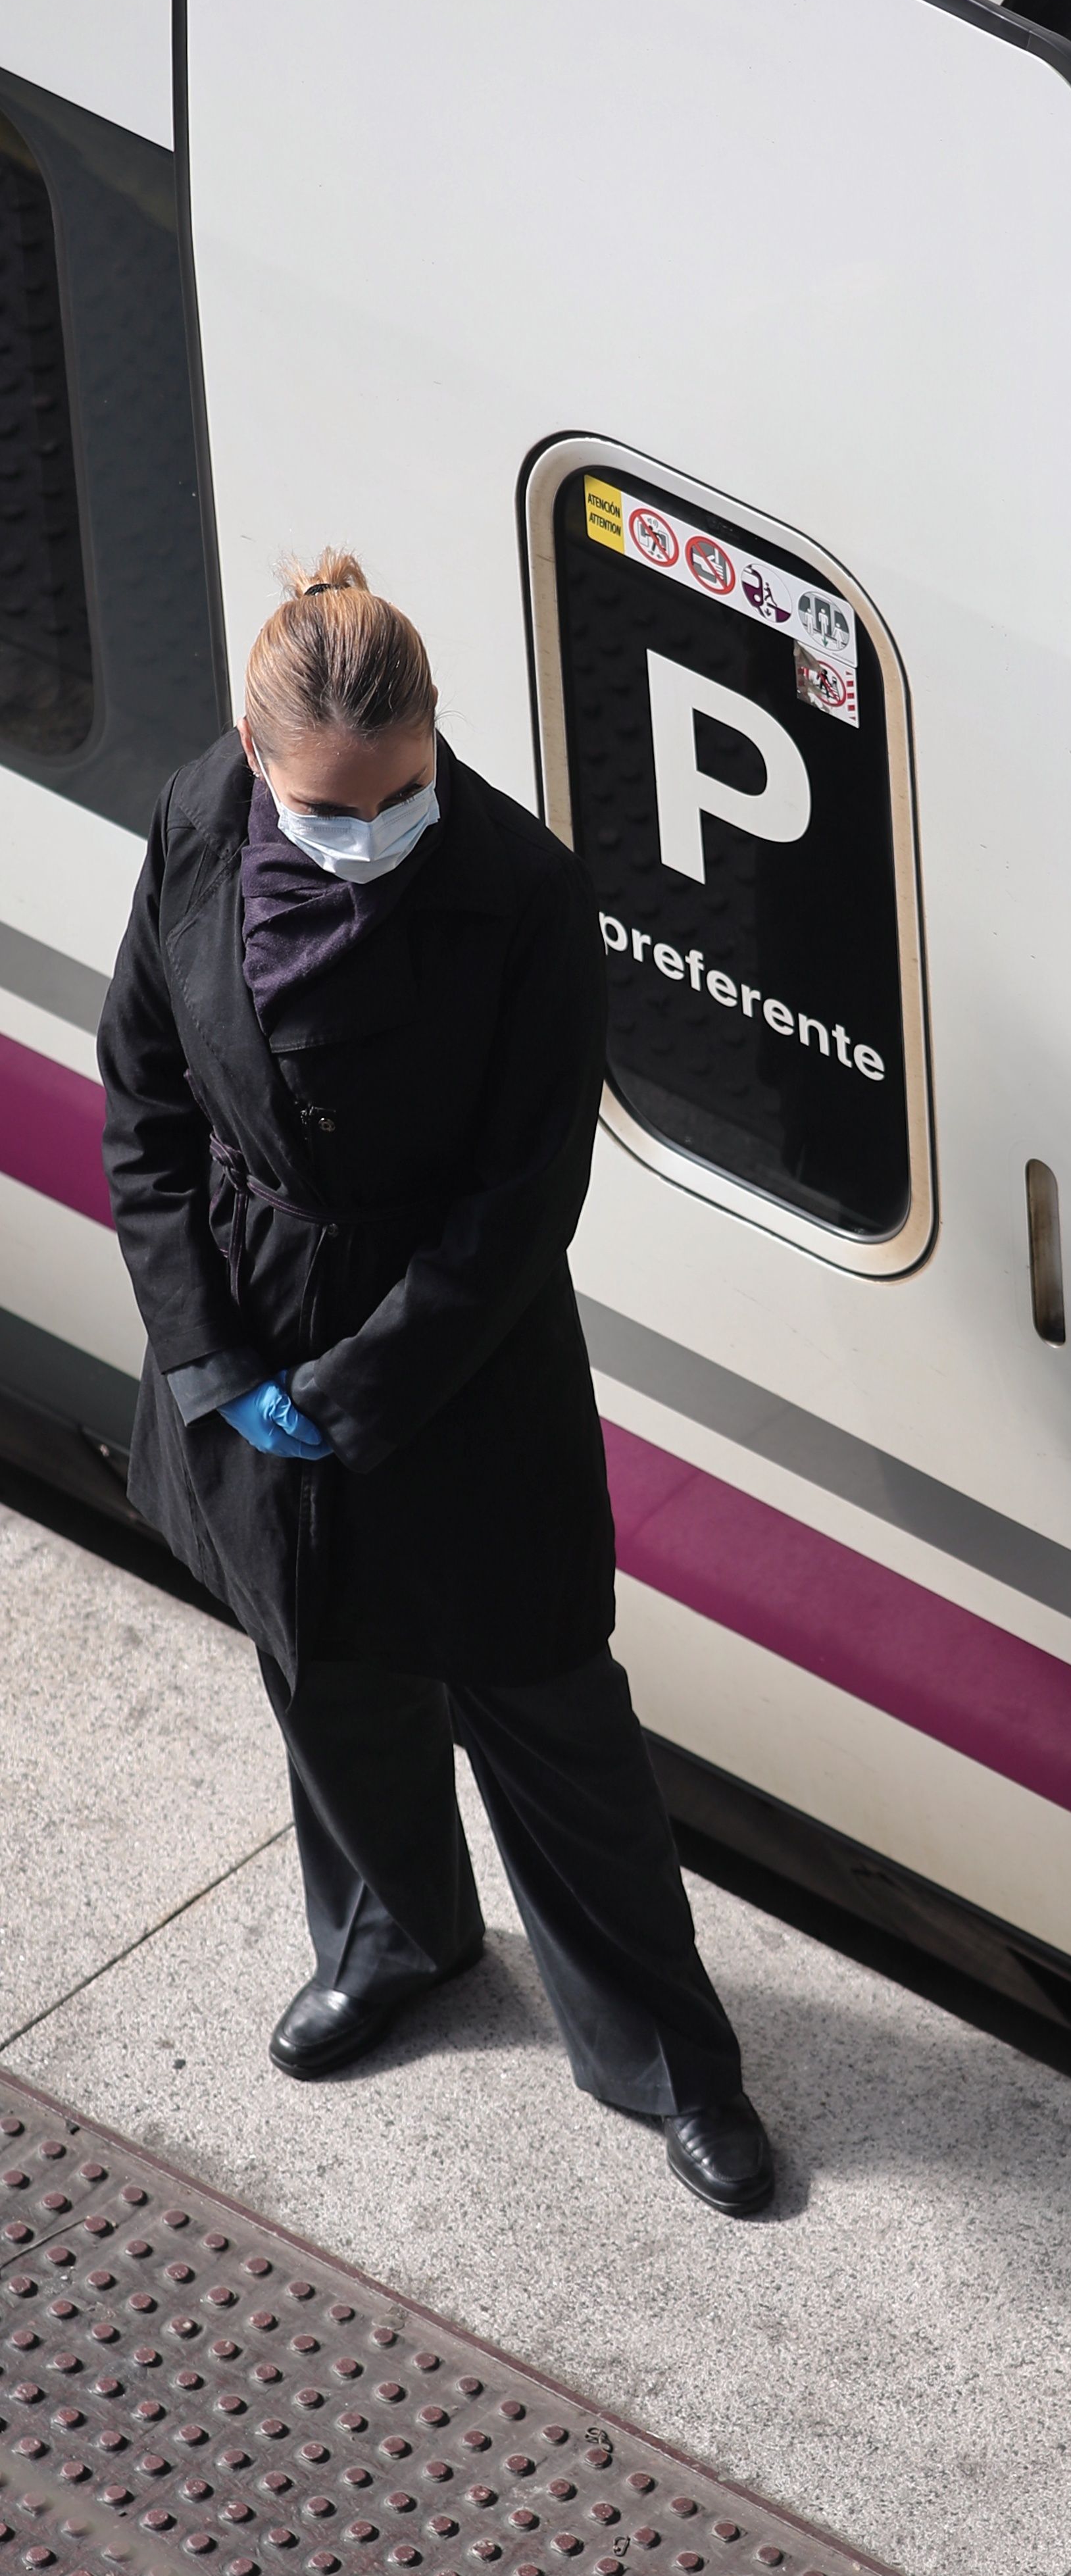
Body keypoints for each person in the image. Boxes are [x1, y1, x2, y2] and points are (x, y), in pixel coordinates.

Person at [97, 551, 774, 2217]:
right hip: (250, 1327)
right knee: (322, 1670)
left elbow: (528, 1192)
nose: (372, 832)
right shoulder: (195, 829)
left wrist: (363, 1386)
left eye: (399, 797)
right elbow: (144, 1104)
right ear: (257, 760)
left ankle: (667, 2056)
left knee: (548, 1712)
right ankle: (395, 1935)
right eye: (333, 808)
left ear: (434, 743)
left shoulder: (522, 888)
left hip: (458, 1364)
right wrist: (210, 1353)